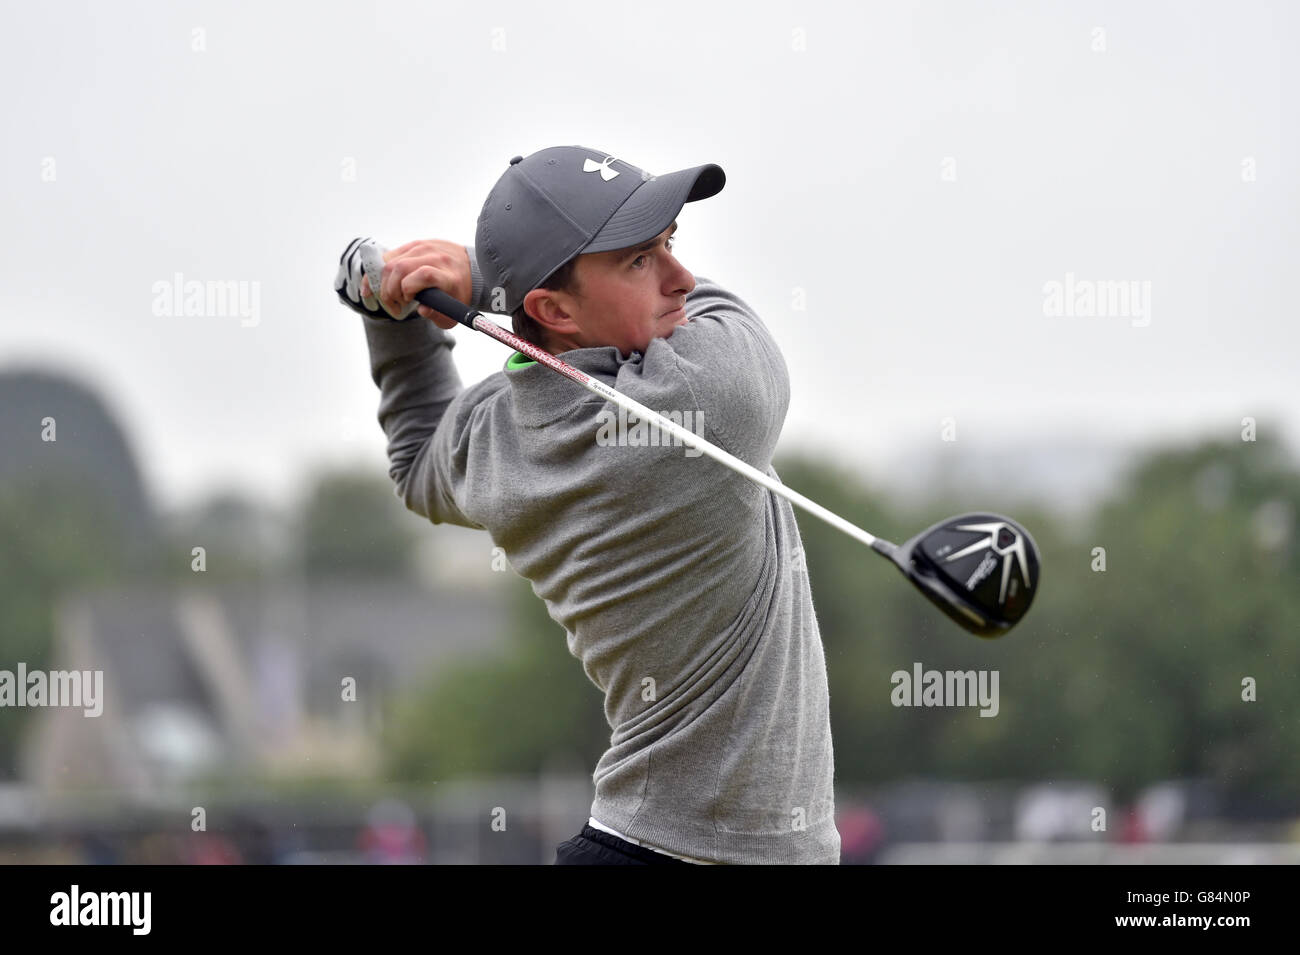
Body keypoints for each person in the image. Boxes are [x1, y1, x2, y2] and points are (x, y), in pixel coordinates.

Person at [334, 146, 840, 865]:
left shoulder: (502, 433)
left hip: (639, 844)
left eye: (670, 243)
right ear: (552, 309)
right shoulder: (701, 405)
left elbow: (417, 458)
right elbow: (723, 317)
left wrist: (392, 317)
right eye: (639, 260)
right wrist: (483, 279)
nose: (681, 277)